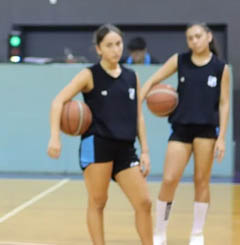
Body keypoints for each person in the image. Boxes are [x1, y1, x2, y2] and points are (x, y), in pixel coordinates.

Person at [48, 24, 152, 245]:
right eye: (109, 45)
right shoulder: (89, 75)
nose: (116, 49)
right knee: (98, 202)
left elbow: (138, 116)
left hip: (125, 148)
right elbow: (58, 101)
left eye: (118, 44)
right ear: (99, 49)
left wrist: (145, 150)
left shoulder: (131, 76)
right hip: (98, 145)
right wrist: (55, 137)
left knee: (144, 202)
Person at [140, 22, 230, 245]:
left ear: (209, 37)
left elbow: (224, 103)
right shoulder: (179, 60)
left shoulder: (221, 68)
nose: (194, 41)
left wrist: (221, 137)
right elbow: (153, 79)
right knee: (169, 180)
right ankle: (160, 232)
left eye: (198, 36)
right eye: (190, 38)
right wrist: (139, 99)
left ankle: (197, 233)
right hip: (181, 128)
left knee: (201, 181)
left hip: (206, 131)